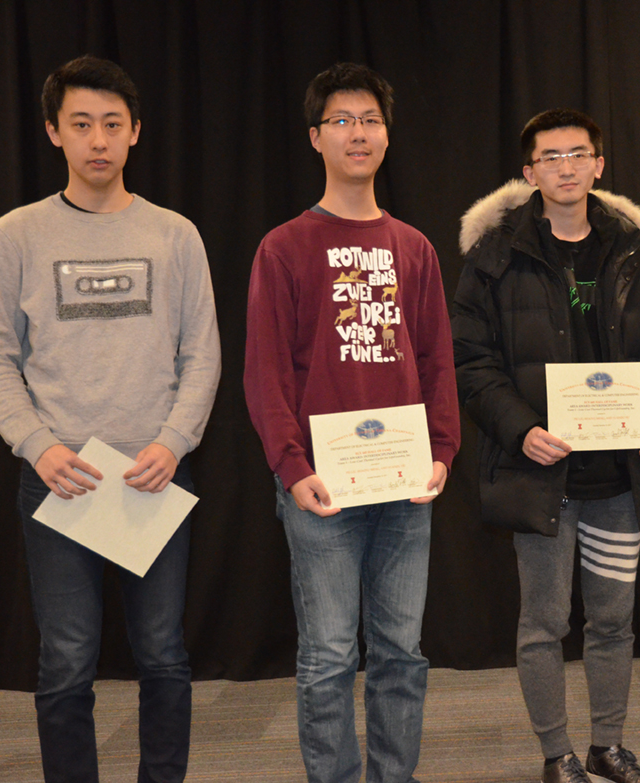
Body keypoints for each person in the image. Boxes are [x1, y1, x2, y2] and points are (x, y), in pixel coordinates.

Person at [0, 55, 221, 783]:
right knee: (67, 660)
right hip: (60, 480)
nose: (98, 140)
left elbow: (201, 354)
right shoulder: (15, 234)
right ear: (54, 132)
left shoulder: (176, 235)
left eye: (113, 124)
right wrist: (37, 445)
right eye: (81, 124)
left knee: (164, 655)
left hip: (150, 477)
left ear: (136, 133)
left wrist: (173, 443)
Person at [243, 62, 459, 783]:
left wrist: (441, 451)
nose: (357, 132)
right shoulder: (283, 247)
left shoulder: (414, 247)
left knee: (401, 653)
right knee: (329, 655)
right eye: (341, 120)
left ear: (387, 136)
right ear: (315, 137)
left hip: (404, 486)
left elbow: (435, 363)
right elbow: (264, 371)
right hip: (322, 492)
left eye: (369, 119)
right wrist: (291, 467)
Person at [452, 108, 640, 783]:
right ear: (528, 172)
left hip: (616, 478)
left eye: (576, 154)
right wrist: (521, 428)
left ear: (598, 164)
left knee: (613, 621)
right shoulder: (494, 254)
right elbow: (472, 361)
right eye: (549, 157)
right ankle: (556, 754)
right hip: (539, 477)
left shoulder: (634, 248)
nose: (564, 167)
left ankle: (606, 745)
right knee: (543, 623)